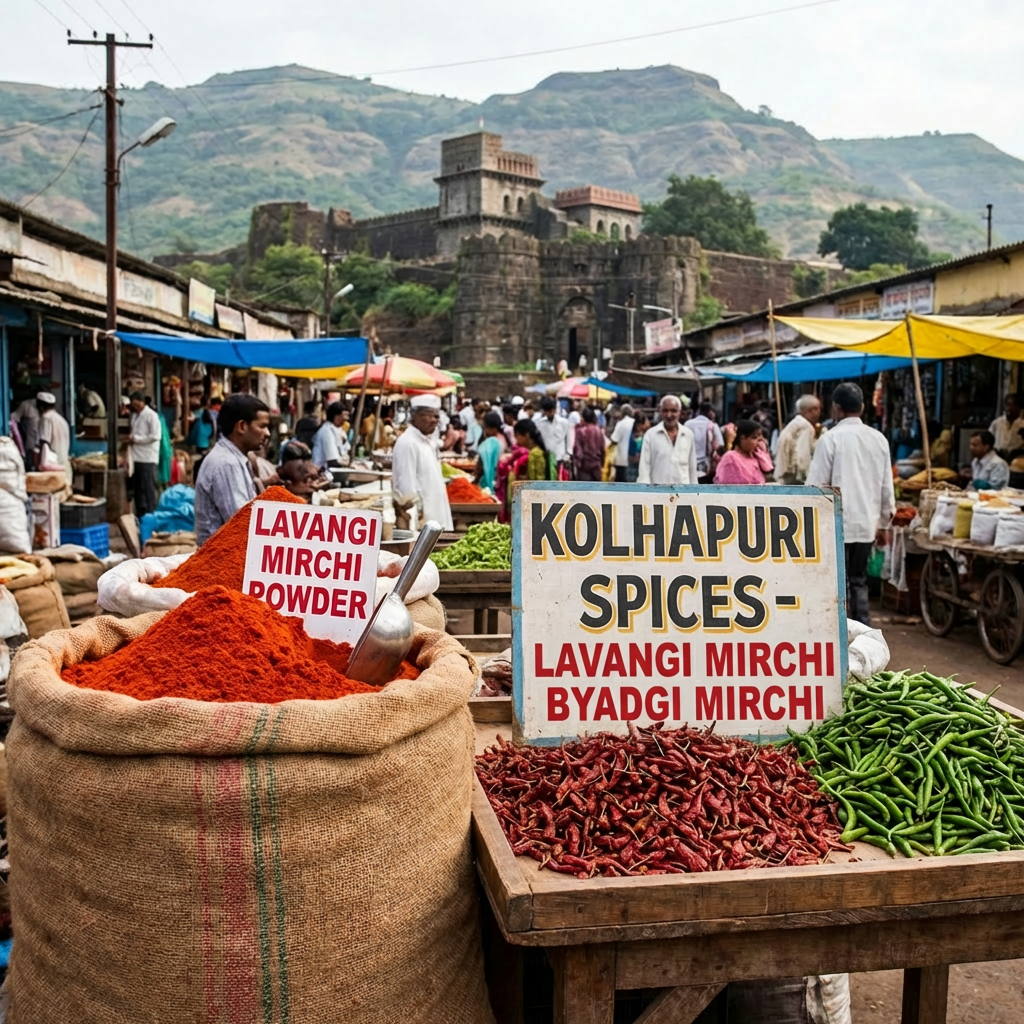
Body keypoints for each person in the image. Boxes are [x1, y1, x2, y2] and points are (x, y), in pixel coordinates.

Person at [807, 382, 895, 626]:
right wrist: (886, 521)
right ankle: (864, 629)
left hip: (837, 522)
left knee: (837, 582)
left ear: (836, 408)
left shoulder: (830, 439)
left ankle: (839, 633)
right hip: (866, 522)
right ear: (863, 407)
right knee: (859, 579)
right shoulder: (879, 439)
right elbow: (887, 485)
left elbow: (815, 486)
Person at [193, 394, 271, 545]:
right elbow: (242, 524)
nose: (267, 433)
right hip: (219, 559)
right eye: (262, 426)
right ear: (242, 426)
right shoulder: (227, 464)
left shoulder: (235, 458)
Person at [391, 394, 453, 530]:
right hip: (422, 525)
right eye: (428, 415)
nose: (433, 420)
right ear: (414, 416)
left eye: (436, 416)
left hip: (435, 521)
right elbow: (406, 490)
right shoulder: (408, 443)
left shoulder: (427, 442)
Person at [637, 395, 697, 485]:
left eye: (673, 411)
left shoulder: (688, 435)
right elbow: (644, 469)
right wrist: (646, 494)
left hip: (683, 493)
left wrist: (694, 493)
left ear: (679, 413)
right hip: (658, 493)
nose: (669, 415)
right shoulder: (651, 435)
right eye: (665, 411)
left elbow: (692, 469)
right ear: (660, 412)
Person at [127, 390, 162, 518]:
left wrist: (137, 439)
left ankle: (151, 513)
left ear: (142, 402)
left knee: (148, 488)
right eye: (133, 405)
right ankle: (141, 514)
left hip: (148, 457)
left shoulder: (151, 416)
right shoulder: (134, 416)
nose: (135, 407)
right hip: (136, 456)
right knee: (138, 488)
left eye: (137, 404)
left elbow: (155, 436)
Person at [774, 395, 823, 484]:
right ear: (806, 411)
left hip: (784, 471)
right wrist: (806, 476)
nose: (819, 412)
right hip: (794, 475)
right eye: (815, 409)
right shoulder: (805, 427)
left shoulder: (796, 424)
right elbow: (802, 455)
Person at [35, 391, 72, 479]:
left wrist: (38, 465)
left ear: (40, 407)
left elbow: (44, 443)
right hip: (64, 467)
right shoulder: (62, 420)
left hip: (53, 470)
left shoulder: (46, 418)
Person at [687, 401, 725, 483]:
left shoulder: (687, 424)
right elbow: (720, 446)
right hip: (706, 468)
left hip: (688, 466)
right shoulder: (713, 426)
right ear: (710, 412)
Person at [474, 410, 506, 492]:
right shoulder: (502, 438)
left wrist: (477, 479)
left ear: (493, 428)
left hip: (488, 482)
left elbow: (484, 466)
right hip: (499, 482)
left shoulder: (491, 442)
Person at [573, 406, 607, 481]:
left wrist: (577, 464)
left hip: (584, 468)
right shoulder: (598, 430)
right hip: (596, 467)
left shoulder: (580, 431)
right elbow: (603, 449)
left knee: (584, 491)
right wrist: (602, 463)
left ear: (583, 418)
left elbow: (578, 451)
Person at [312, 402, 347, 471]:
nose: (346, 418)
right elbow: (332, 461)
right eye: (345, 415)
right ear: (337, 416)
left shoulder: (338, 430)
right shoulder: (326, 431)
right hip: (323, 472)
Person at [536, 397, 569, 469]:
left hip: (560, 458)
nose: (549, 413)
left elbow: (567, 439)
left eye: (551, 410)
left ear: (554, 409)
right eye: (547, 411)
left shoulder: (564, 423)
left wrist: (568, 453)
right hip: (546, 457)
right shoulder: (539, 424)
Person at [609, 404, 635, 482]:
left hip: (621, 459)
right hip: (632, 459)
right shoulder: (634, 422)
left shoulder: (621, 423)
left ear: (622, 412)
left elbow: (614, 439)